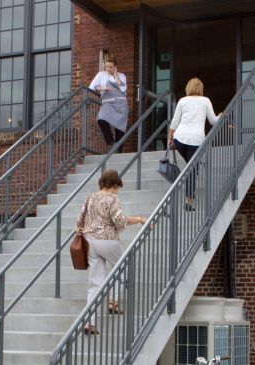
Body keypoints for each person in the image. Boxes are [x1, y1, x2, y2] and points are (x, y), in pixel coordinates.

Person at [75, 169, 146, 335]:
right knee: (123, 266)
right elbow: (120, 222)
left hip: (89, 242)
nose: (117, 190)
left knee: (94, 285)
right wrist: (139, 219)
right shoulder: (113, 198)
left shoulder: (90, 198)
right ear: (113, 185)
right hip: (107, 240)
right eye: (117, 187)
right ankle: (112, 302)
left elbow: (79, 221)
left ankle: (88, 323)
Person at [167, 77, 220, 211]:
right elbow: (213, 121)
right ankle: (188, 201)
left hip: (180, 138)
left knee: (192, 168)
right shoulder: (205, 101)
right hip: (196, 140)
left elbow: (174, 121)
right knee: (192, 169)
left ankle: (190, 192)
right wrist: (221, 115)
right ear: (200, 88)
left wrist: (170, 138)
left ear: (188, 88)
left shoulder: (182, 101)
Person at [89, 54, 128, 150]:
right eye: (107, 66)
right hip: (107, 102)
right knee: (101, 119)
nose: (108, 68)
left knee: (120, 128)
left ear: (115, 67)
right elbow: (91, 87)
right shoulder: (101, 75)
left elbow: (123, 89)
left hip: (121, 104)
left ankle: (119, 150)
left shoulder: (121, 76)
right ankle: (111, 141)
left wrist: (115, 75)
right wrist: (101, 88)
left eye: (111, 67)